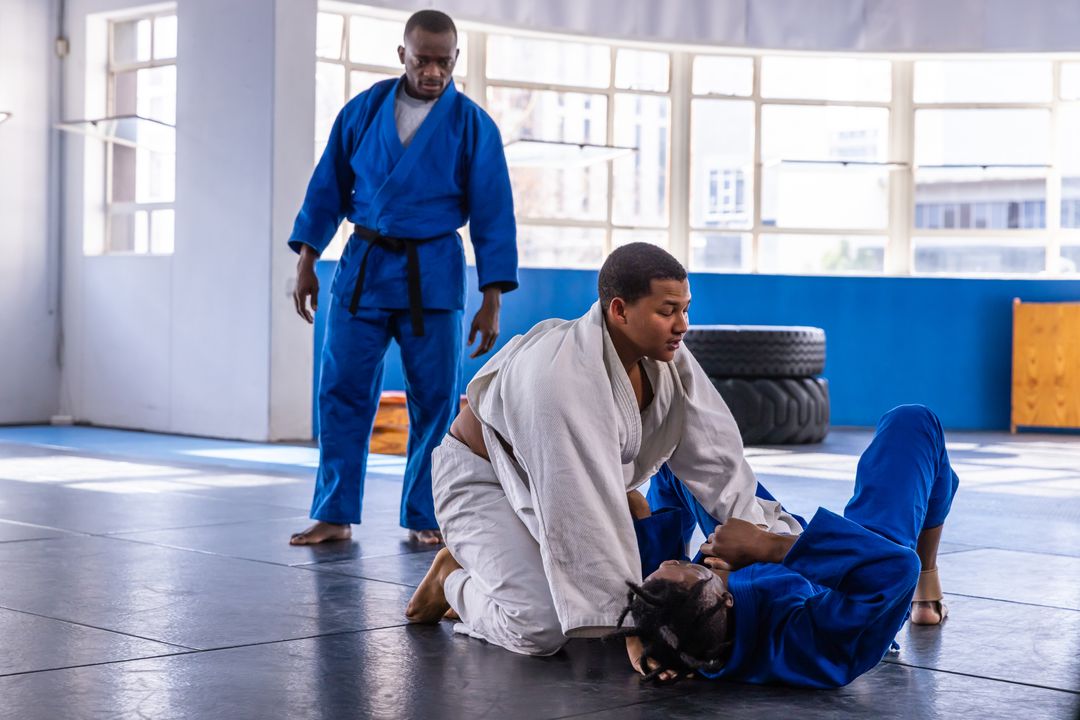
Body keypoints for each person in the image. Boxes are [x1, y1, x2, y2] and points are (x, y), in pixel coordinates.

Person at [404, 243, 802, 656]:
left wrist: (767, 541)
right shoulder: (558, 377)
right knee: (541, 627)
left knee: (623, 574)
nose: (682, 325)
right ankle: (451, 583)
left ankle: (507, 569)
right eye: (667, 311)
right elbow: (578, 504)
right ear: (619, 310)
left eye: (686, 309)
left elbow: (717, 457)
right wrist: (633, 630)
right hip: (482, 484)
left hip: (553, 480)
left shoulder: (670, 362)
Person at [287, 10, 518, 547]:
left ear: (456, 59)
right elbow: (327, 188)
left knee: (435, 399)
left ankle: (424, 515)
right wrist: (306, 260)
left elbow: (492, 212)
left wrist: (492, 297)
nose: (432, 71)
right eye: (422, 60)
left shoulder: (473, 125)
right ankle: (333, 511)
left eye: (443, 61)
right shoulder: (363, 111)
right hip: (363, 266)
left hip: (432, 272)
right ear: (402, 55)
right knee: (340, 389)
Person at [617, 404, 958, 688]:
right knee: (913, 422)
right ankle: (926, 596)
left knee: (681, 460)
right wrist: (769, 546)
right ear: (727, 597)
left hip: (751, 571)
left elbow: (671, 604)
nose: (674, 562)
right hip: (858, 577)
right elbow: (895, 569)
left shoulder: (694, 631)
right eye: (692, 569)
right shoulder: (815, 639)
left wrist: (639, 636)